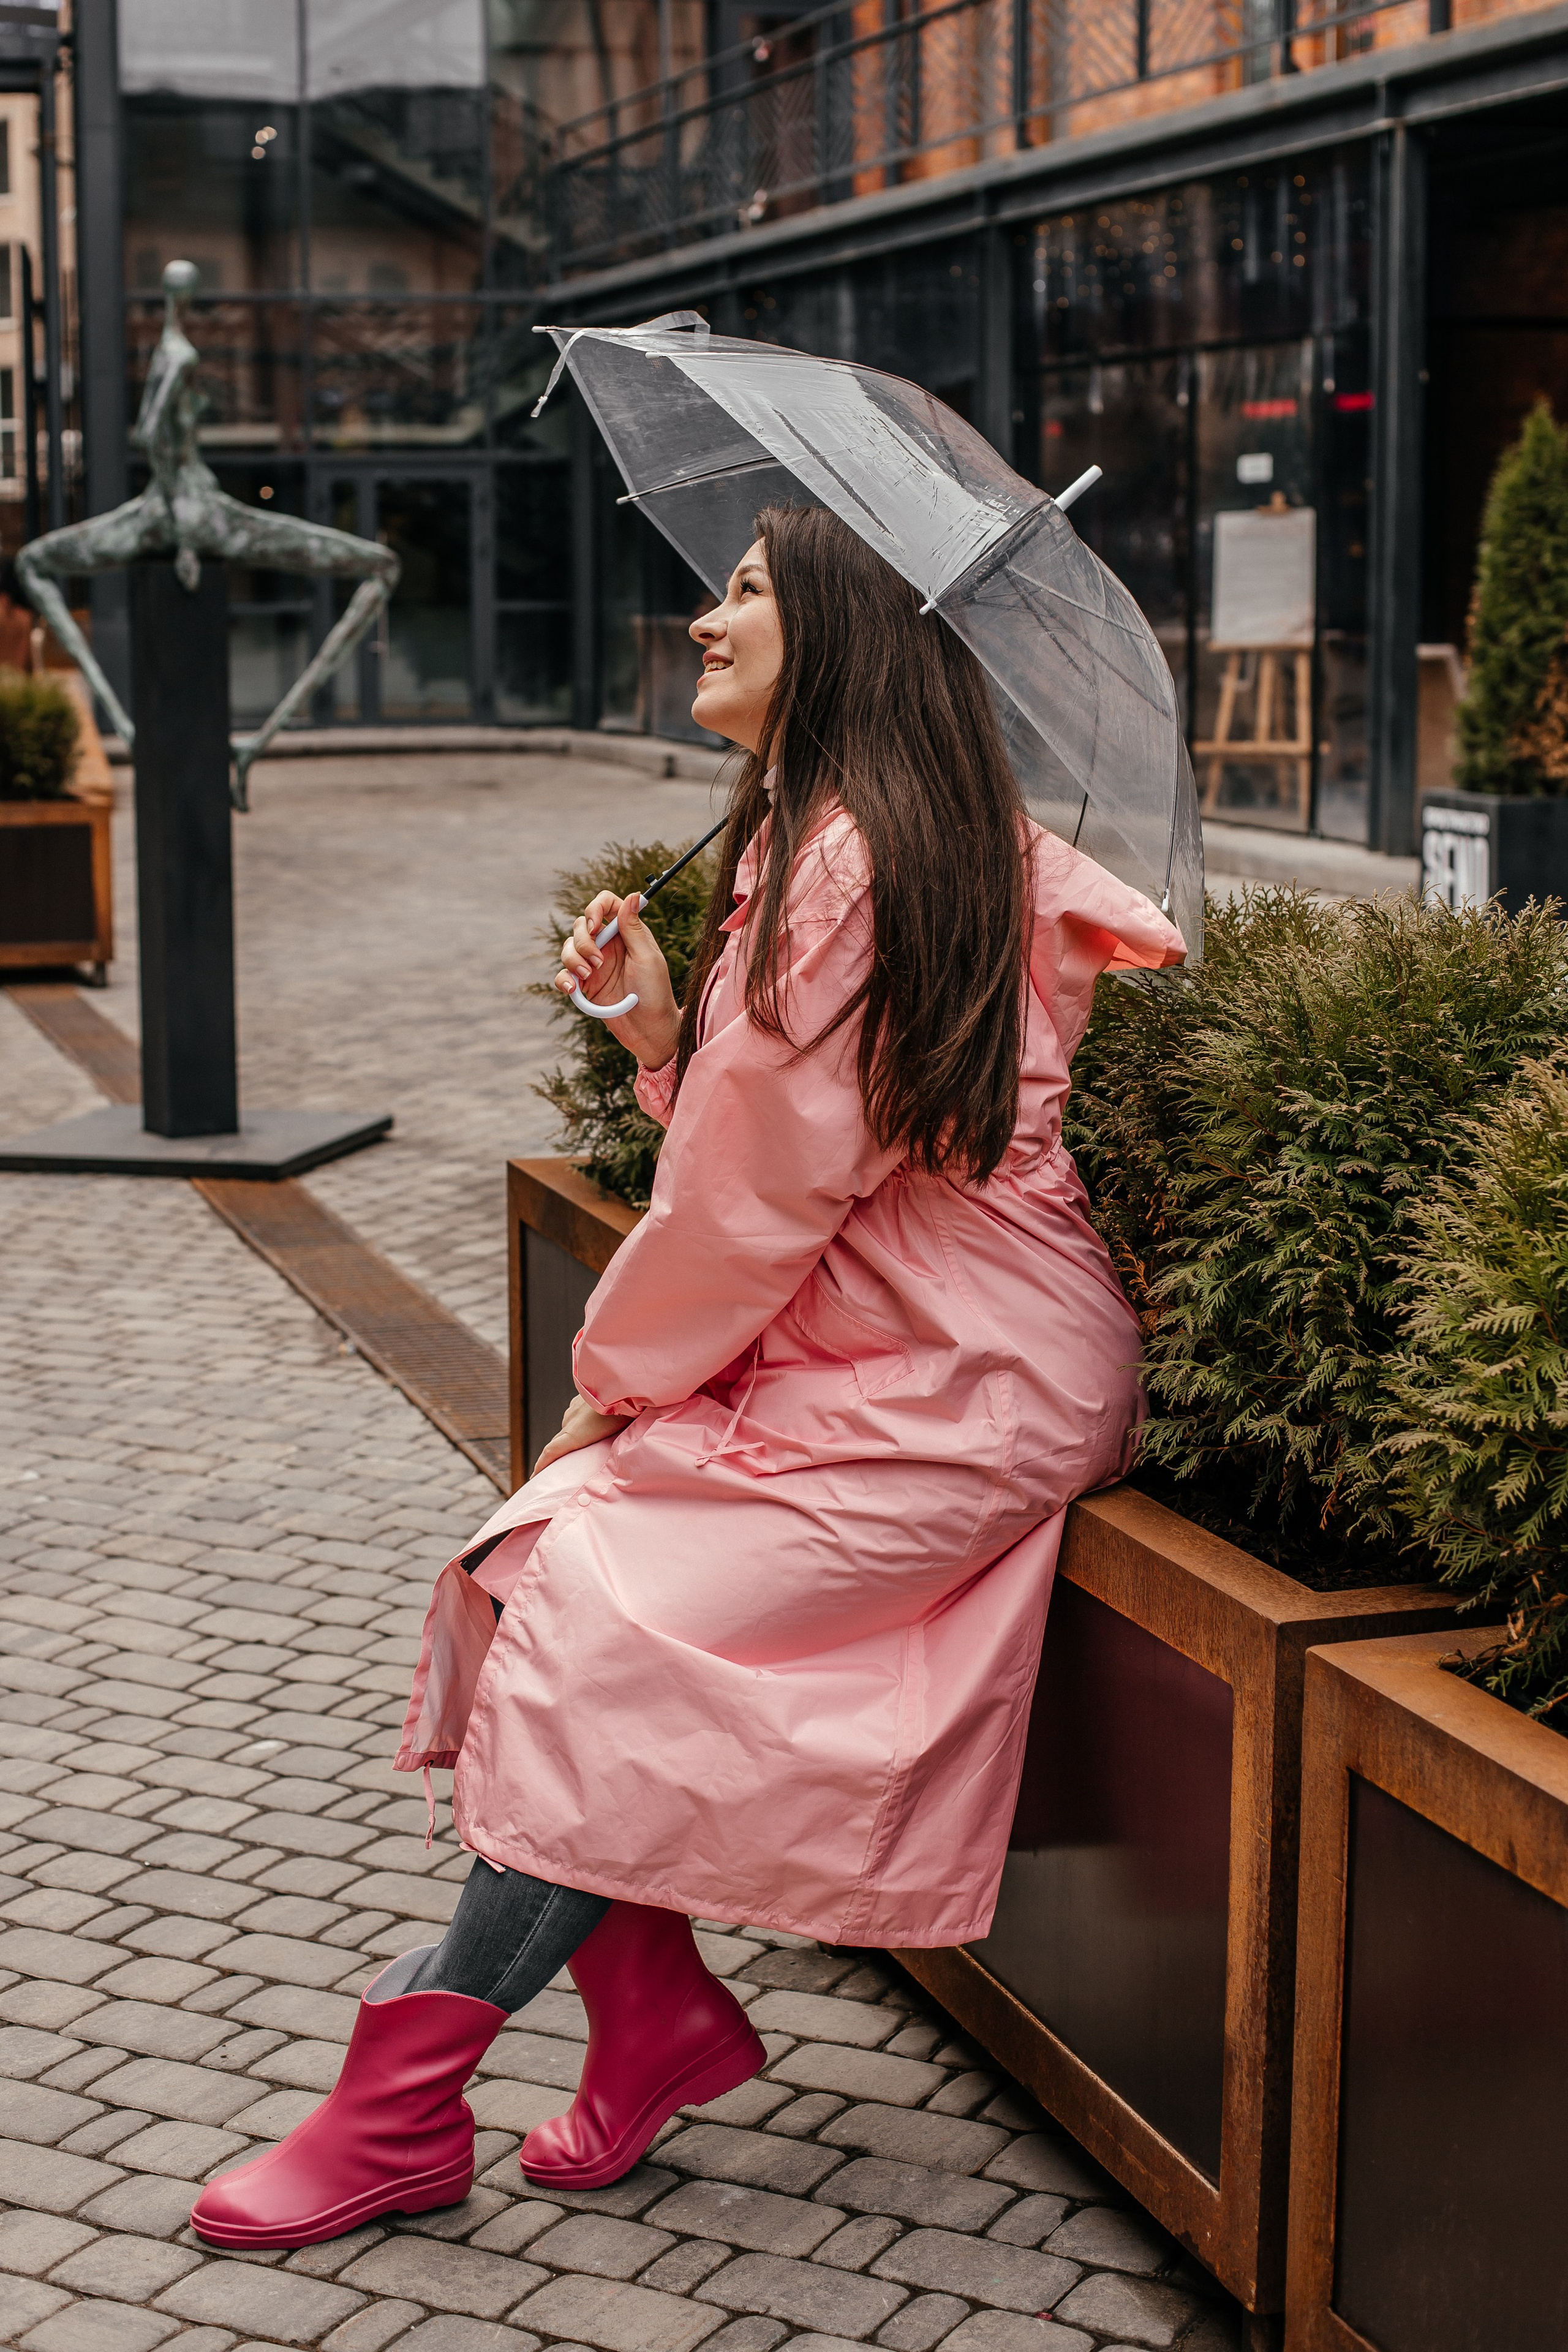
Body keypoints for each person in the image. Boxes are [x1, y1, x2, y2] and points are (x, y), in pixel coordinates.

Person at [191, 504, 1185, 2253]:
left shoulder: (854, 861)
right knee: (532, 1576)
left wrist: (608, 1386)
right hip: (883, 1359)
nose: (702, 617)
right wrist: (665, 1039)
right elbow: (803, 1152)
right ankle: (651, 2021)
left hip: (961, 1387)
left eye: (743, 592)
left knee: (589, 1624)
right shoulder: (833, 843)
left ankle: (403, 2106)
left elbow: (756, 1199)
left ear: (850, 633)